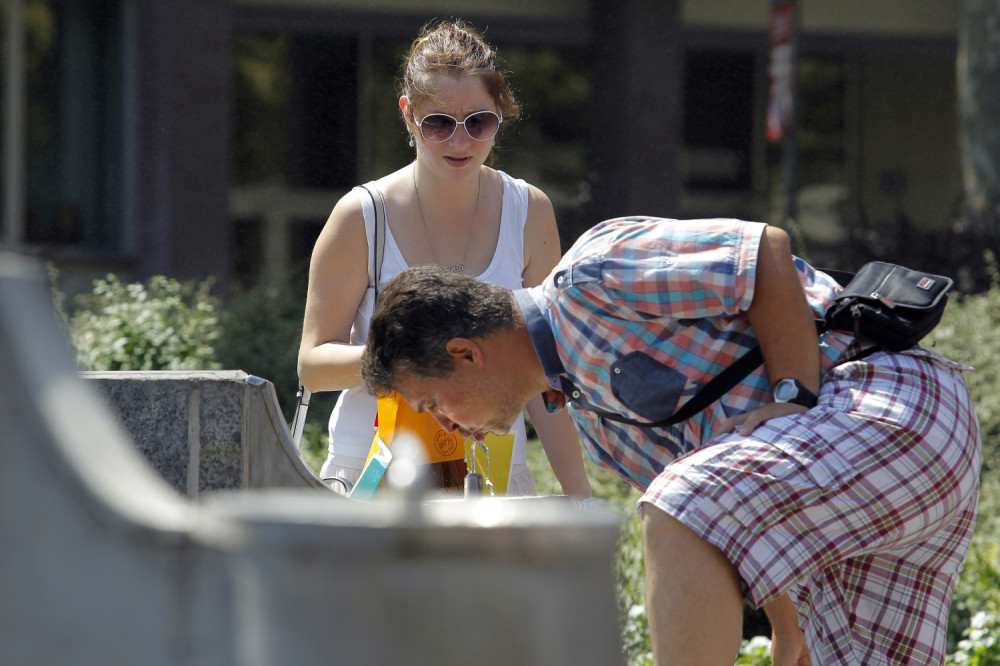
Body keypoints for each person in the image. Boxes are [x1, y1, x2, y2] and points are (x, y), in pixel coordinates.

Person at [360, 216, 982, 666]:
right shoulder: (596, 427)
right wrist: (790, 634)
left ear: (465, 354)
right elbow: (748, 520)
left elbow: (762, 253)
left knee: (673, 502)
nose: (443, 425)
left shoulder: (590, 276)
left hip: (891, 403)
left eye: (431, 404)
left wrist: (791, 397)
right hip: (886, 478)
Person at [297, 19, 591, 499]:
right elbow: (312, 364)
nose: (460, 141)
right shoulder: (362, 216)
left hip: (494, 472)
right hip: (377, 470)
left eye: (479, 122)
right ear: (408, 115)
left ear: (500, 116)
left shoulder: (528, 211)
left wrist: (582, 497)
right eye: (439, 123)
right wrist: (421, 360)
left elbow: (546, 370)